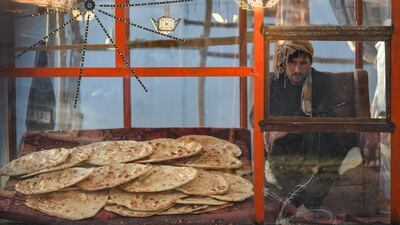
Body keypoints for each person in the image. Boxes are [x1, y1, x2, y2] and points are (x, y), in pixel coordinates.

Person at [252, 40, 348, 214]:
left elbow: (325, 117)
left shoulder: (322, 82)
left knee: (324, 138)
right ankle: (300, 206)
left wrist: (287, 127)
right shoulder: (272, 82)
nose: (297, 70)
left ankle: (299, 204)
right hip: (284, 145)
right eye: (292, 63)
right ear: (283, 63)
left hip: (315, 143)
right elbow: (254, 116)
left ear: (310, 63)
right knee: (276, 148)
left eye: (303, 63)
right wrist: (269, 128)